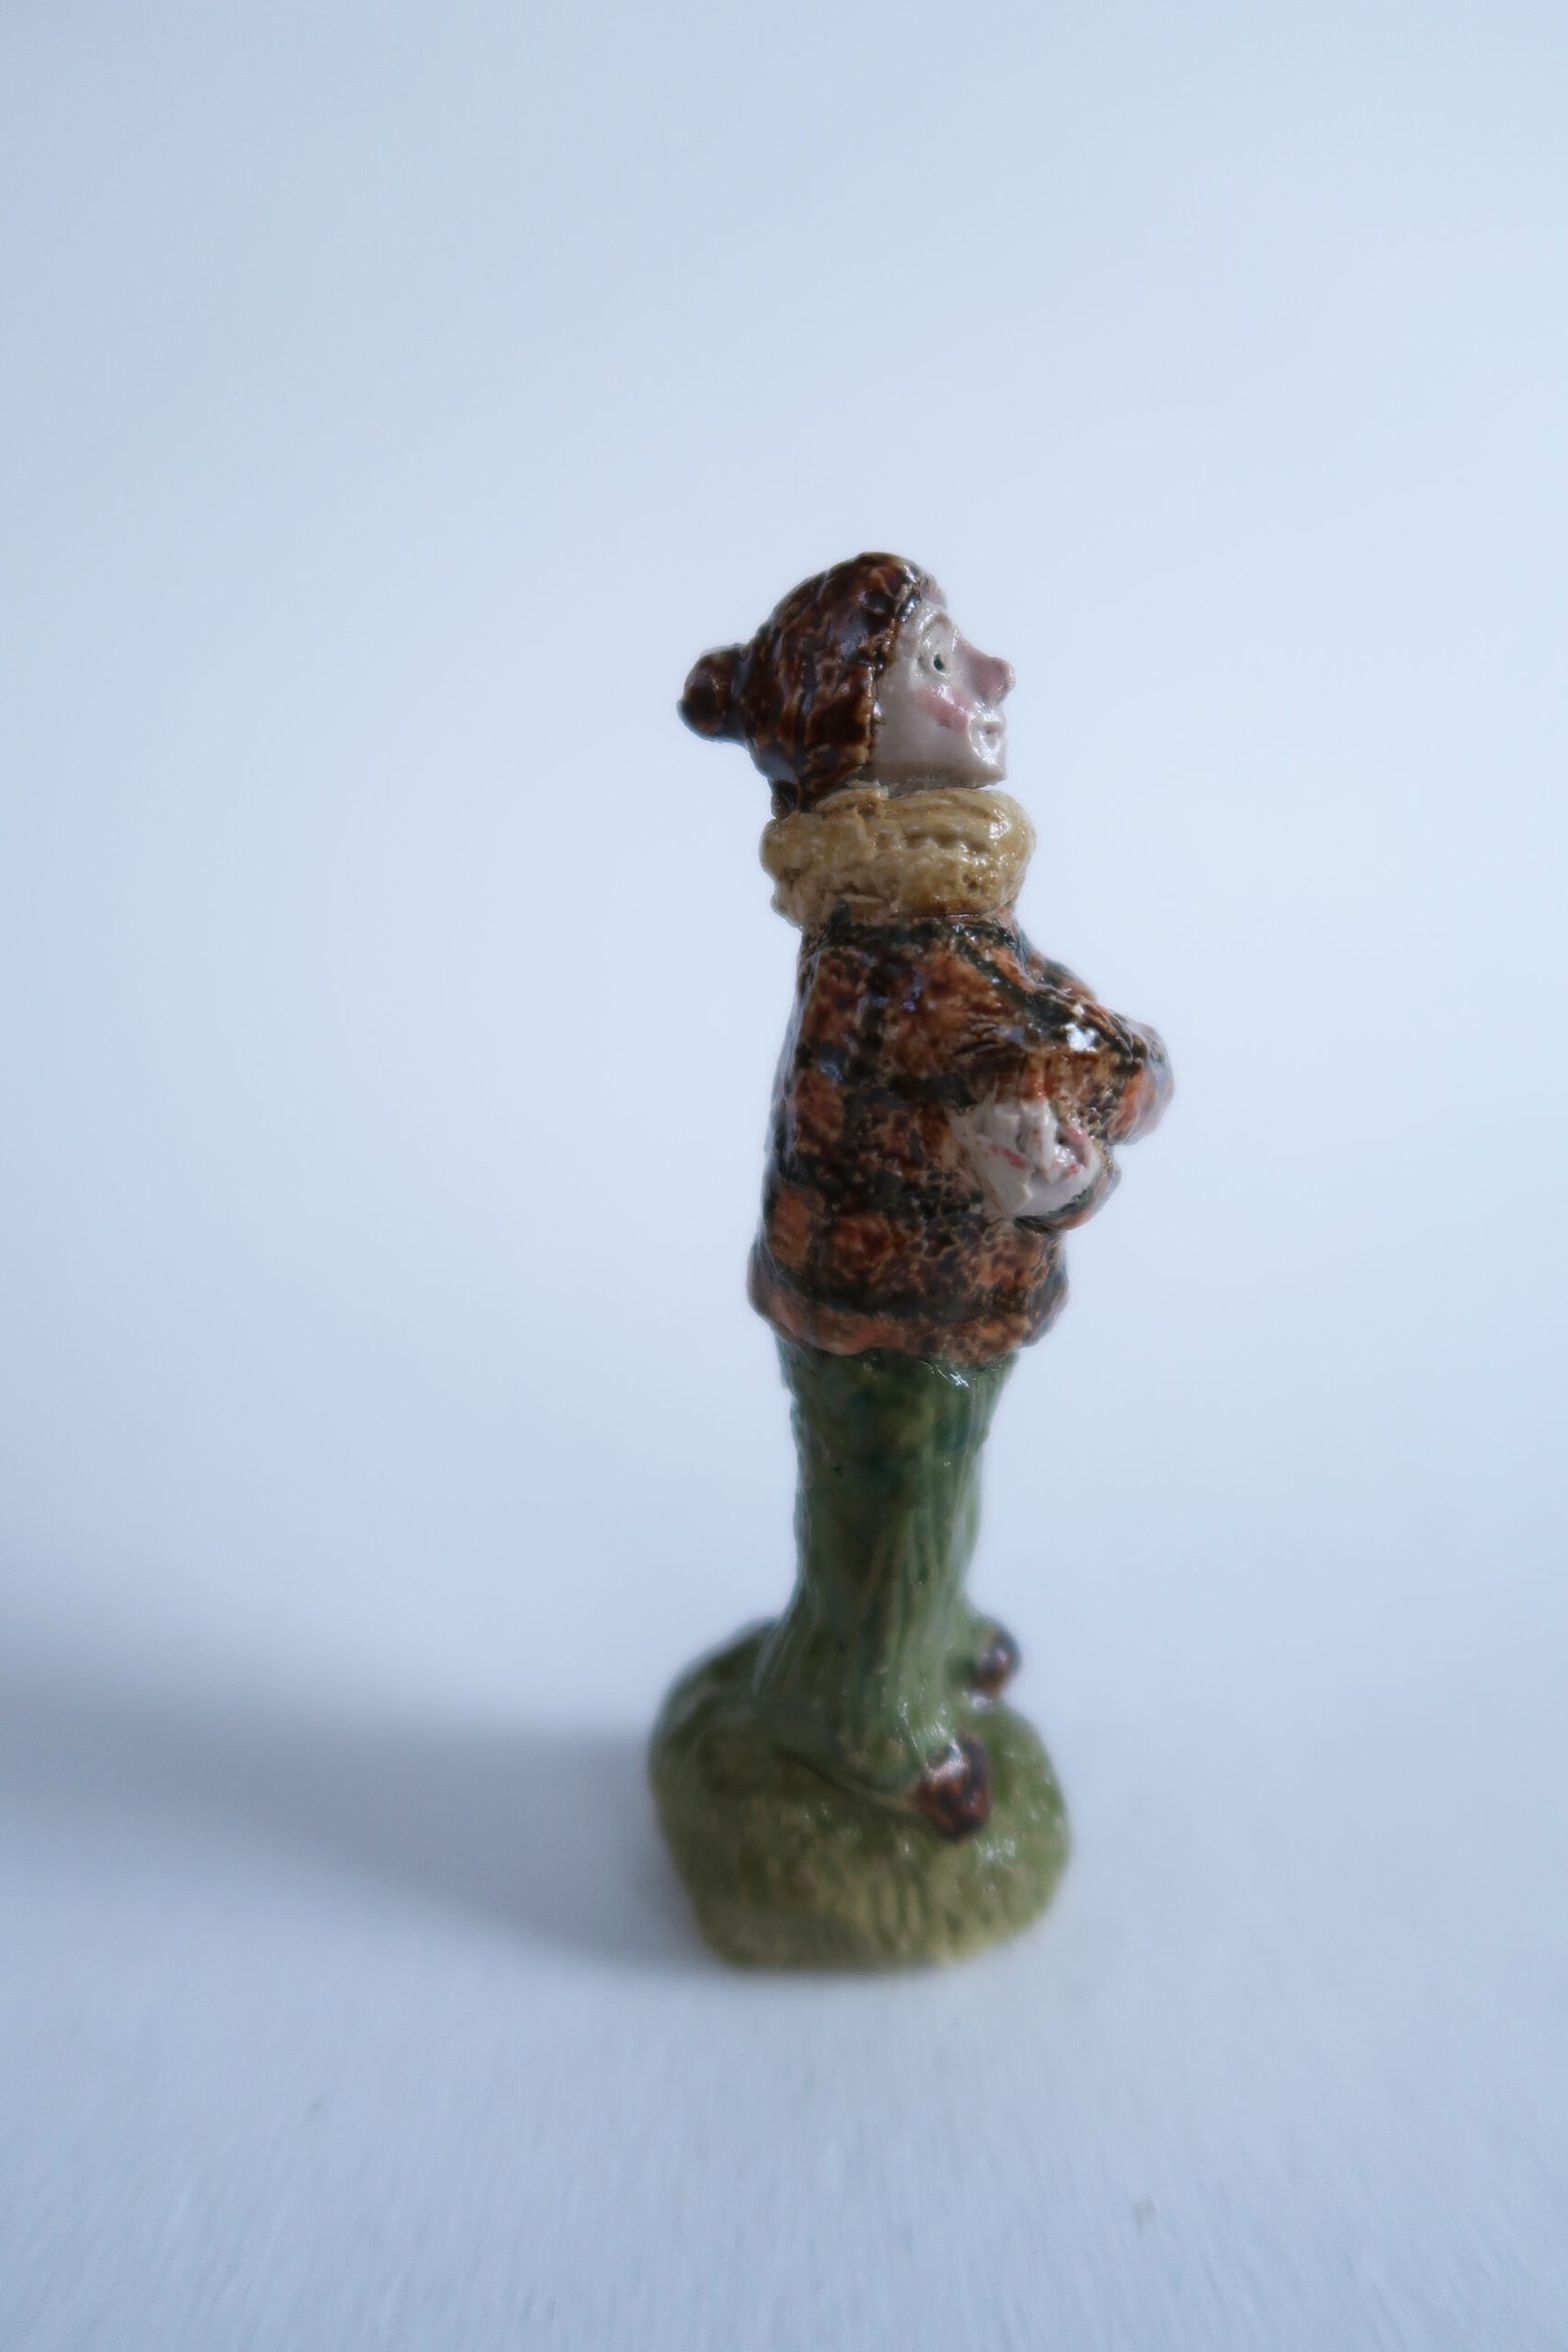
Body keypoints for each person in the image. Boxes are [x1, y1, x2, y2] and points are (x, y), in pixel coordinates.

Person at [672, 553, 1170, 1847]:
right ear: (858, 727)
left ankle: (927, 1632)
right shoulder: (903, 942)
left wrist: (1113, 1081)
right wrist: (1087, 1125)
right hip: (885, 1305)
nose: (993, 674)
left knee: (938, 1472)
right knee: (895, 1496)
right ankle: (861, 1712)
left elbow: (1046, 1029)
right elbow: (1011, 1072)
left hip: (938, 1291)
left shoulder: (935, 895)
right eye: (940, 663)